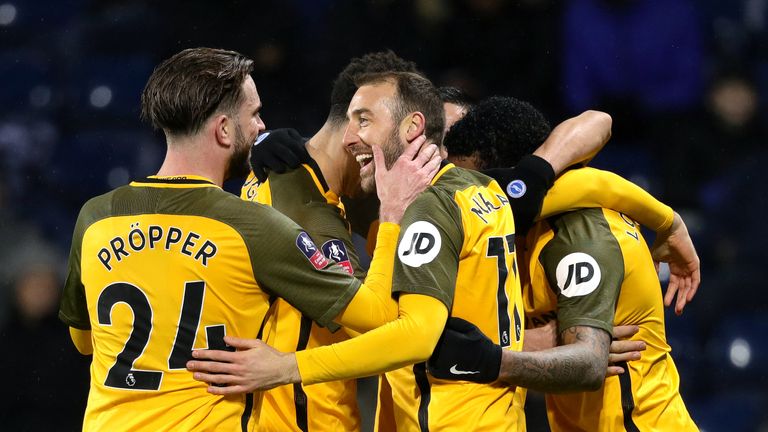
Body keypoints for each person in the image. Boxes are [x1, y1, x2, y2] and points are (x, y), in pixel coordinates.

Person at [58, 47, 440, 431]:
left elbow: (84, 342)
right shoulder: (250, 226)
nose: (262, 130)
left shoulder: (96, 216)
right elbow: (378, 317)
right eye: (255, 115)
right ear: (224, 129)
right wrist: (392, 216)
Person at [429, 96, 699, 430]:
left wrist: (492, 359)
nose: (460, 190)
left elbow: (588, 365)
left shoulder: (581, 239)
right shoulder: (502, 228)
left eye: (469, 181)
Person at [239, 51, 422, 432]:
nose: (398, 157)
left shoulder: (286, 173)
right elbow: (381, 327)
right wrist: (391, 218)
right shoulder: (307, 211)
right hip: (303, 420)